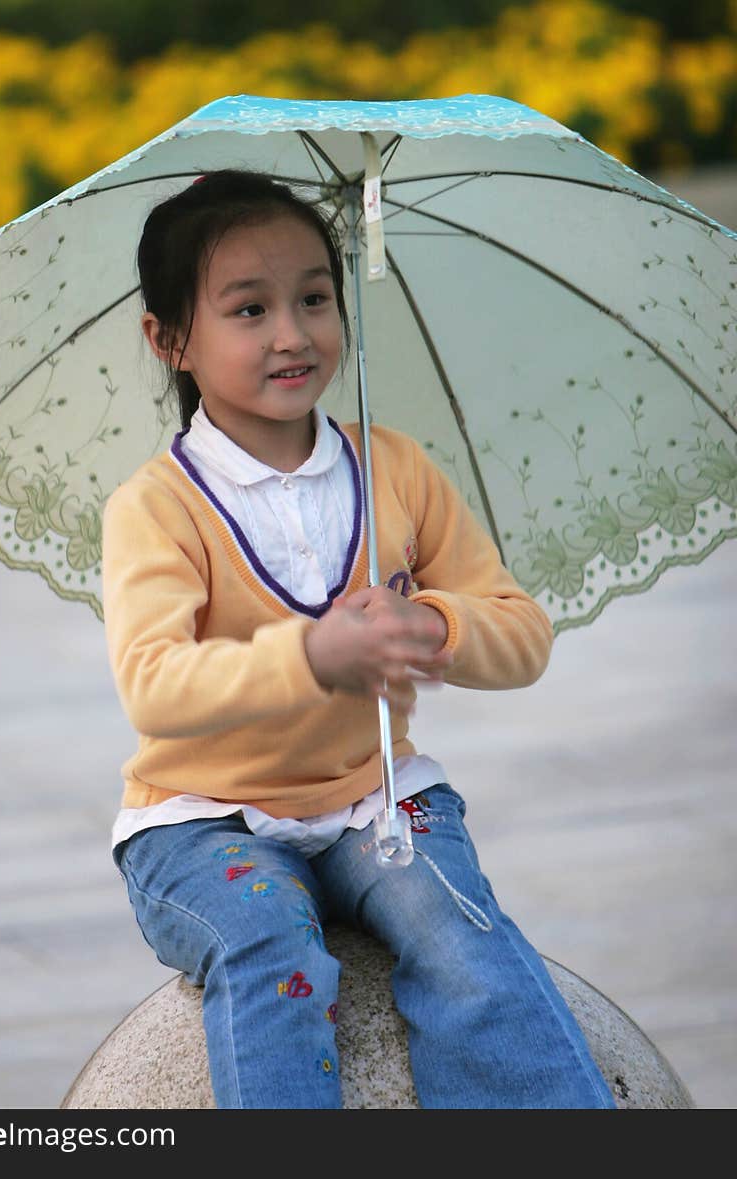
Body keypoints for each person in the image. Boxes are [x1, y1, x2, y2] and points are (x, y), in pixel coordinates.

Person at [102, 169, 616, 1110]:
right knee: (269, 939)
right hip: (202, 818)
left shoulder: (396, 471)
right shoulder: (156, 508)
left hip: (372, 792)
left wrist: (435, 624)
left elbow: (522, 633)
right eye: (248, 310)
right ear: (169, 339)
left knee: (462, 933)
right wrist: (310, 655)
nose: (293, 334)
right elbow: (154, 684)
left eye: (314, 298)